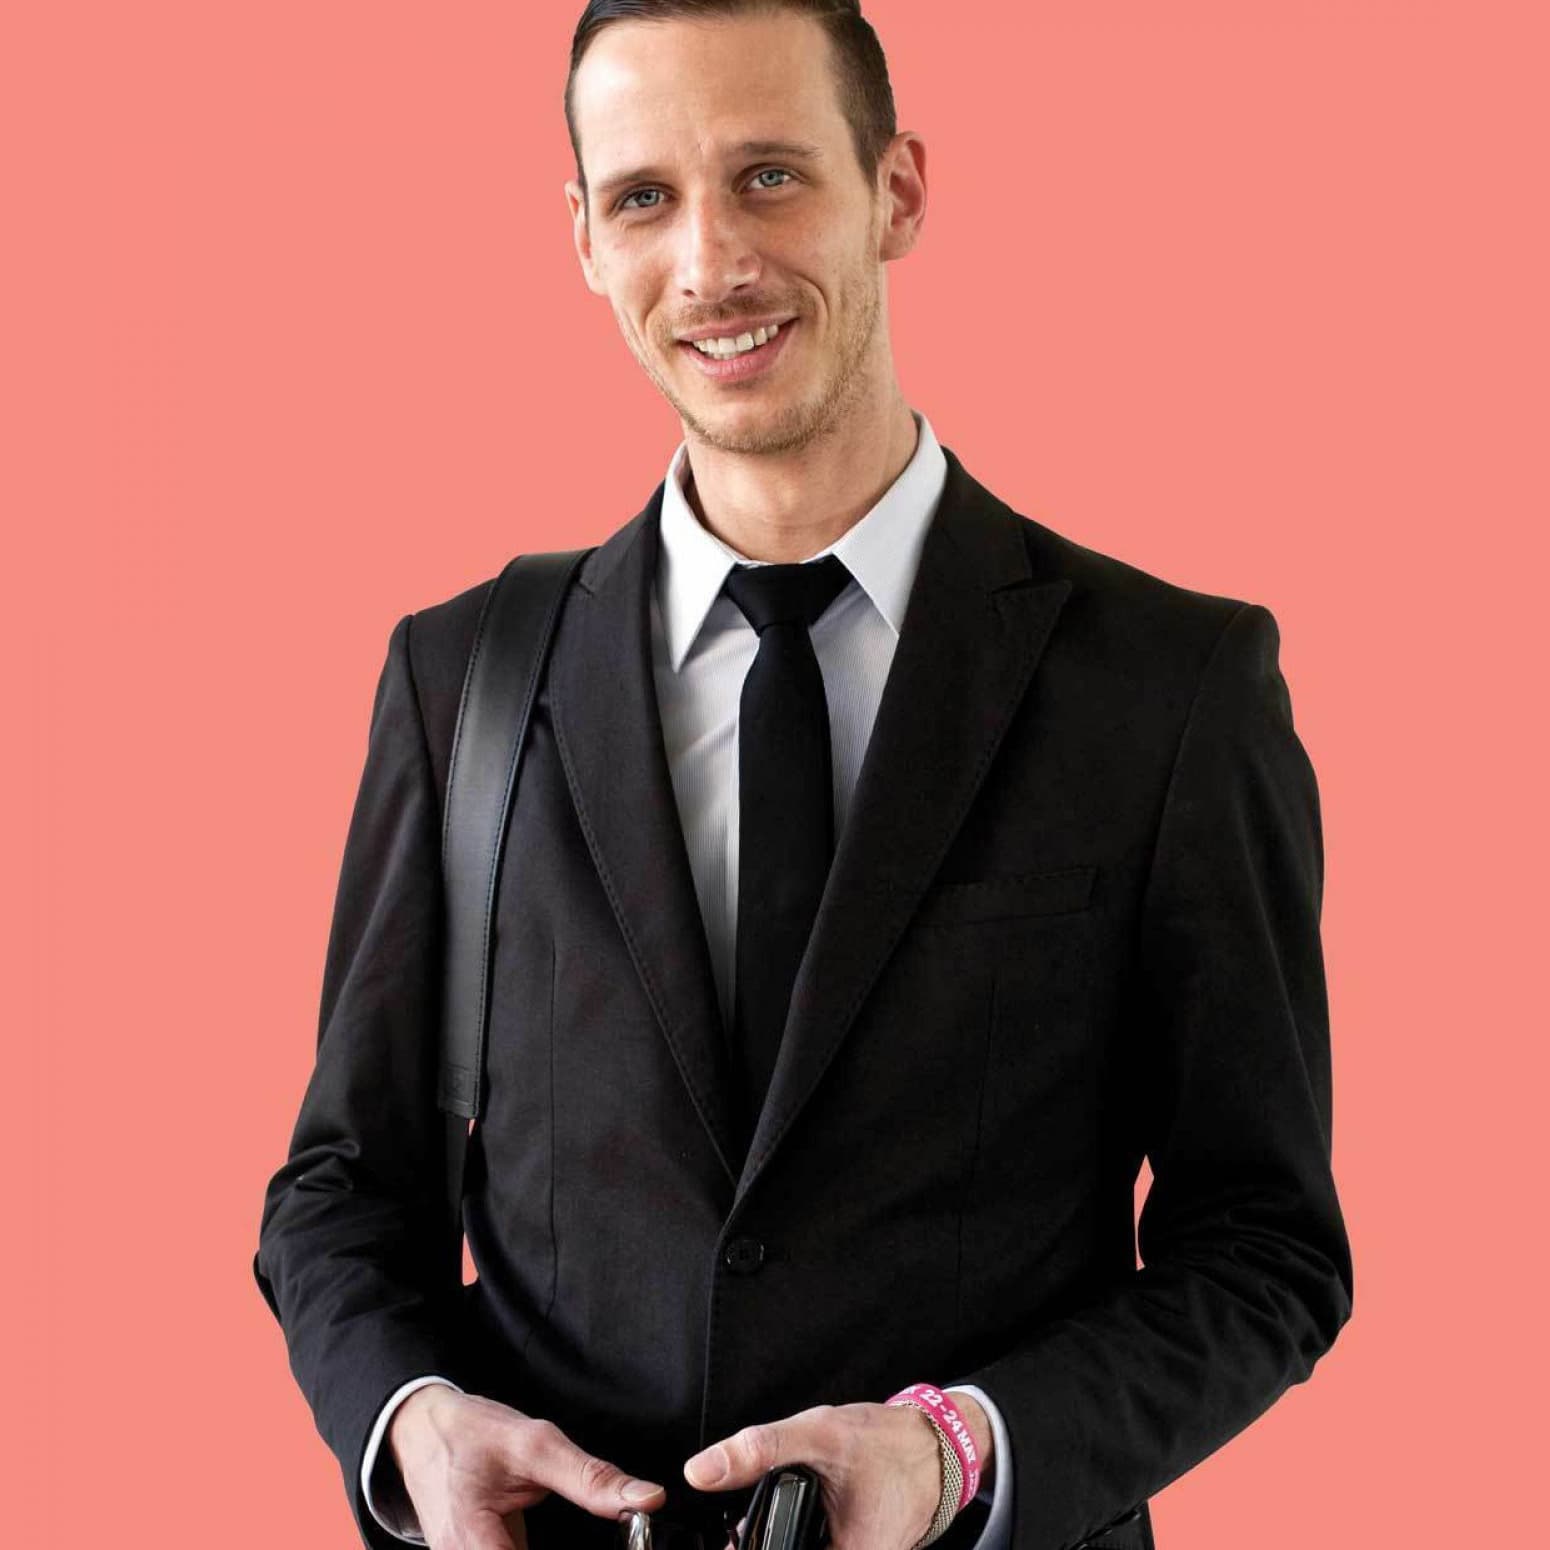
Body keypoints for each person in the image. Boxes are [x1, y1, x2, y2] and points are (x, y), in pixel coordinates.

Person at [252, 4, 1354, 1549]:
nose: (708, 262)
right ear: (580, 235)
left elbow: (1265, 1246)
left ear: (896, 189)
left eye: (768, 175)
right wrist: (413, 1420)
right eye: (643, 197)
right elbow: (339, 1190)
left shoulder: (1168, 686)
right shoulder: (463, 681)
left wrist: (960, 1452)